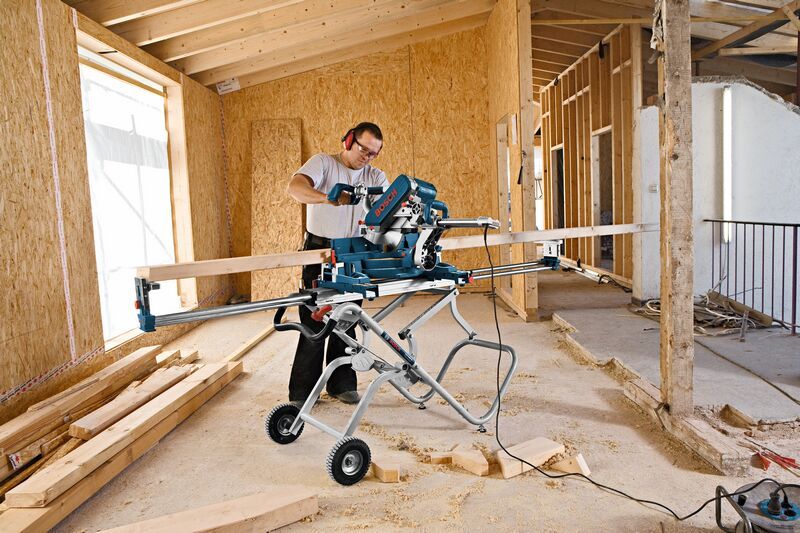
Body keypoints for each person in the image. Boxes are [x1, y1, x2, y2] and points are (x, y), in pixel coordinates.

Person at [285, 122, 389, 406]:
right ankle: (302, 392)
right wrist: (328, 198)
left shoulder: (375, 176)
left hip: (354, 251)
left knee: (348, 318)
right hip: (319, 250)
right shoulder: (324, 163)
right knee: (314, 320)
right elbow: (295, 188)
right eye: (363, 149)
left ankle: (341, 384)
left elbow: (387, 211)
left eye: (373, 153)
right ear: (348, 141)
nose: (366, 157)